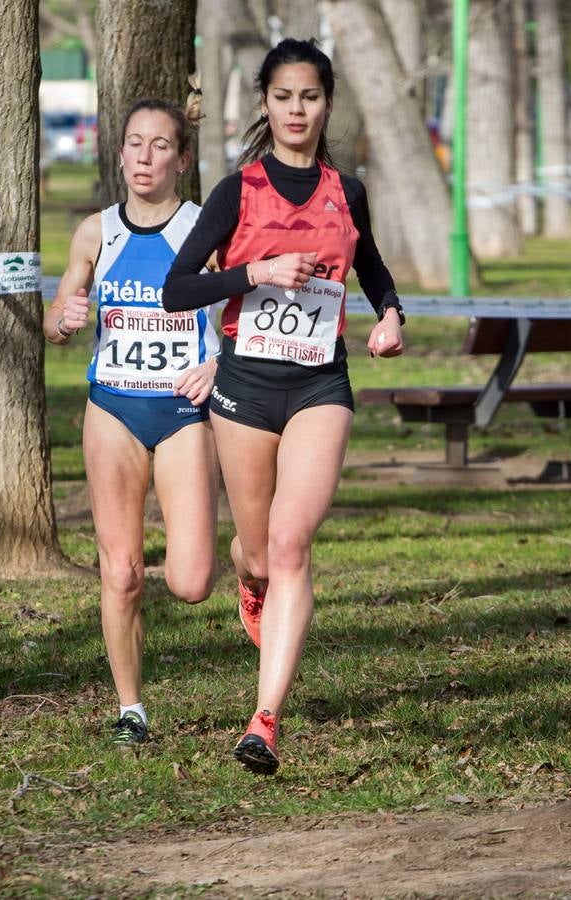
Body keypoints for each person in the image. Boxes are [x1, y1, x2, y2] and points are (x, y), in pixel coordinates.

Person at [163, 38, 405, 775]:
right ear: (265, 105)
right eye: (283, 97)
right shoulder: (238, 192)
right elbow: (178, 289)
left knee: (294, 545)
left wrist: (391, 317)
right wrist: (253, 271)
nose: (297, 110)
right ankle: (248, 574)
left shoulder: (347, 192)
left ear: (326, 103)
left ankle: (264, 722)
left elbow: (375, 273)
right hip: (244, 389)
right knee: (262, 549)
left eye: (309, 96)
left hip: (318, 386)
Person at [44, 98, 220, 748]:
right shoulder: (97, 231)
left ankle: (246, 559)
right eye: (135, 144)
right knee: (120, 572)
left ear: (182, 159)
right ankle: (131, 709)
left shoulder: (203, 229)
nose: (145, 158)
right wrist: (62, 321)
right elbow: (61, 310)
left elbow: (241, 312)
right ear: (119, 153)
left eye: (160, 146)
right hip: (113, 407)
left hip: (181, 414)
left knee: (191, 581)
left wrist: (219, 365)